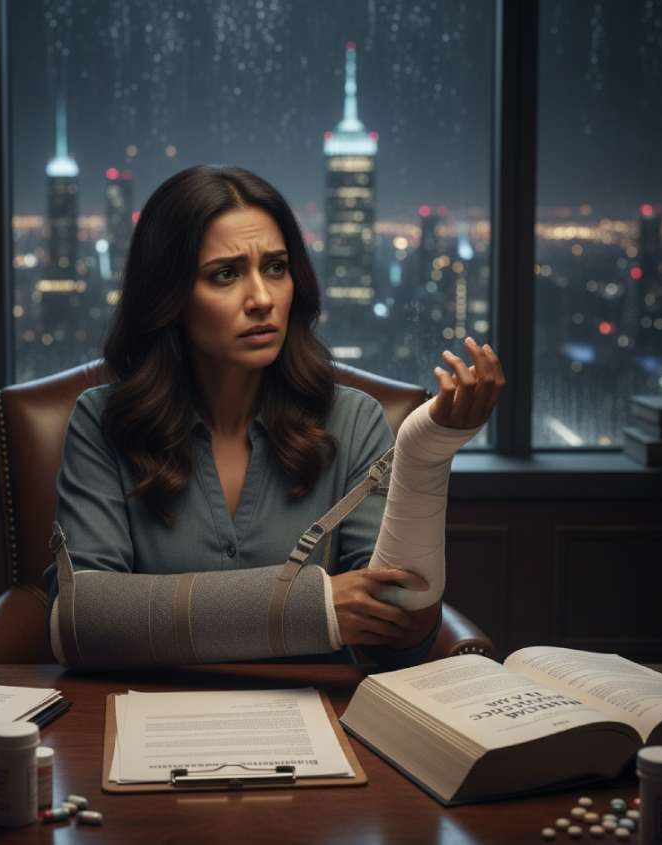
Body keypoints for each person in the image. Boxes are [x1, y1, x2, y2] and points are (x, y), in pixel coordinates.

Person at [46, 165, 505, 669]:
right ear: (168, 296)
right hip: (144, 721)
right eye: (225, 274)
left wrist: (425, 455)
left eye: (276, 268)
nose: (262, 299)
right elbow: (81, 620)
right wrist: (318, 606)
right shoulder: (103, 421)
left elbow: (396, 635)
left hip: (320, 729)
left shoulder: (354, 420)